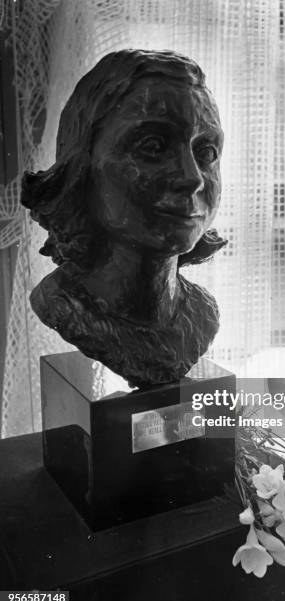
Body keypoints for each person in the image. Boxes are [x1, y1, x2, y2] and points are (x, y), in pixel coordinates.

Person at [21, 50, 226, 387]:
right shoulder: (62, 304)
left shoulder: (202, 312)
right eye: (153, 147)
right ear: (82, 167)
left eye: (206, 153)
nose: (193, 178)